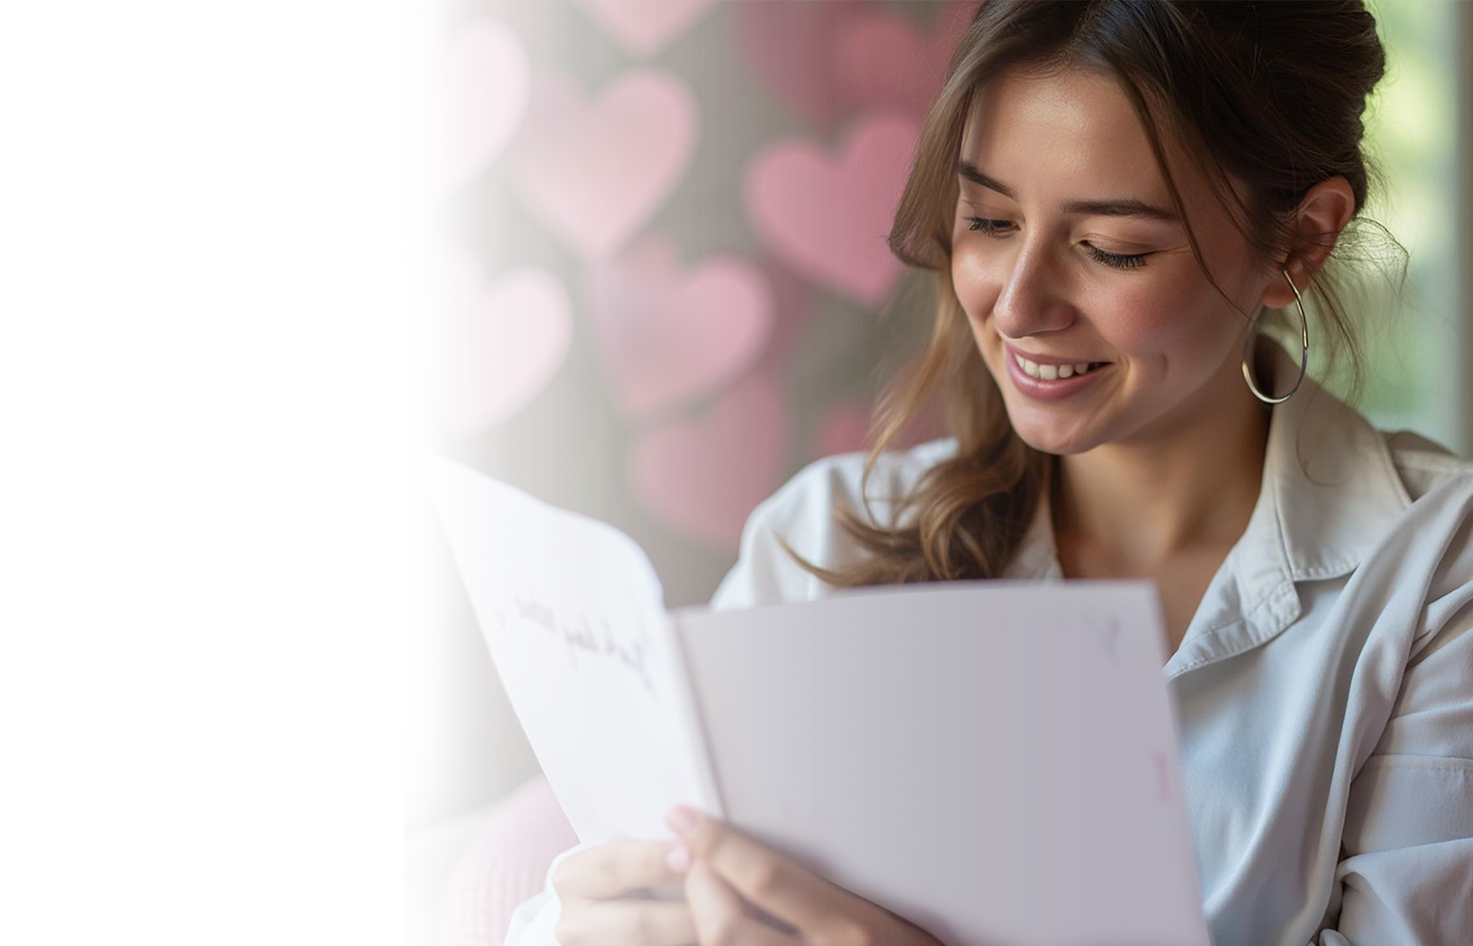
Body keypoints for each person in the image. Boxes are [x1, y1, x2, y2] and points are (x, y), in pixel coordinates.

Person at [501, 2, 1473, 944]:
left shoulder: (1436, 572)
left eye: (1109, 247)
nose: (1017, 305)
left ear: (1299, 241)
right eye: (988, 220)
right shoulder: (830, 535)